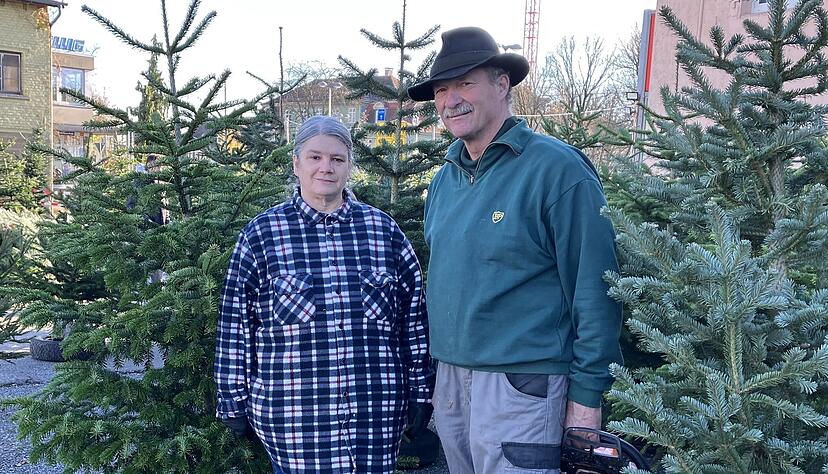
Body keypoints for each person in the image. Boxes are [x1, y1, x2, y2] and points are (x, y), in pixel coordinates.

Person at [408, 27, 623, 474]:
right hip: (450, 381)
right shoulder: (445, 180)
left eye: (466, 83)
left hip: (521, 384)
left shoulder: (556, 170)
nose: (450, 101)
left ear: (502, 84)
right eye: (442, 90)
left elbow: (596, 290)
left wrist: (586, 400)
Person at [214, 116, 435, 473]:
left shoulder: (384, 232)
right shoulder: (262, 236)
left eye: (336, 159)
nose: (325, 168)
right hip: (294, 422)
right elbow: (236, 326)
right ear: (296, 163)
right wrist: (233, 401)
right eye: (315, 157)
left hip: (375, 418)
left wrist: (421, 391)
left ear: (349, 166)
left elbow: (413, 321)